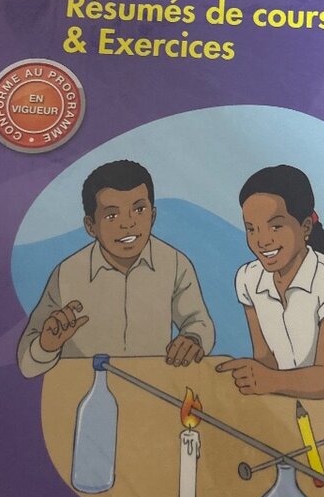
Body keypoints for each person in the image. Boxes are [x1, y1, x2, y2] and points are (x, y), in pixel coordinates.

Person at [17, 160, 214, 378]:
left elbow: (199, 323)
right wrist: (46, 347)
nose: (128, 224)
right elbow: (27, 366)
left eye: (139, 210)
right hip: (85, 390)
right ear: (90, 226)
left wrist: (193, 339)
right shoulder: (66, 274)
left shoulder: (175, 264)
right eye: (111, 215)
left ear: (153, 216)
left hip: (153, 387)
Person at [217, 164, 324, 421]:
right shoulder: (248, 278)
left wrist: (268, 380)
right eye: (252, 229)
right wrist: (256, 378)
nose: (262, 240)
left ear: (305, 227)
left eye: (275, 226)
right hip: (288, 392)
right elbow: (265, 358)